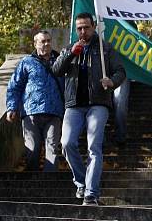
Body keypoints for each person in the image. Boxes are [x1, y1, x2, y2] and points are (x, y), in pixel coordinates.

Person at [52, 13, 126, 205]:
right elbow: (56, 70)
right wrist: (70, 54)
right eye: (79, 28)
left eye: (86, 27)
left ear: (94, 27)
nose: (83, 31)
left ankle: (91, 194)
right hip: (74, 105)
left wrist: (112, 81)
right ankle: (81, 182)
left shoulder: (105, 48)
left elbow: (120, 72)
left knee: (94, 146)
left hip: (98, 103)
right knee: (67, 143)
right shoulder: (69, 48)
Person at [5, 30, 64, 172]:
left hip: (54, 112)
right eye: (43, 41)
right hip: (31, 113)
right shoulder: (26, 62)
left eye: (49, 41)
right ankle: (33, 181)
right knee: (32, 149)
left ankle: (49, 183)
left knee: (53, 148)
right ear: (35, 43)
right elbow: (14, 86)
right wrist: (11, 107)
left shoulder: (61, 60)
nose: (47, 44)